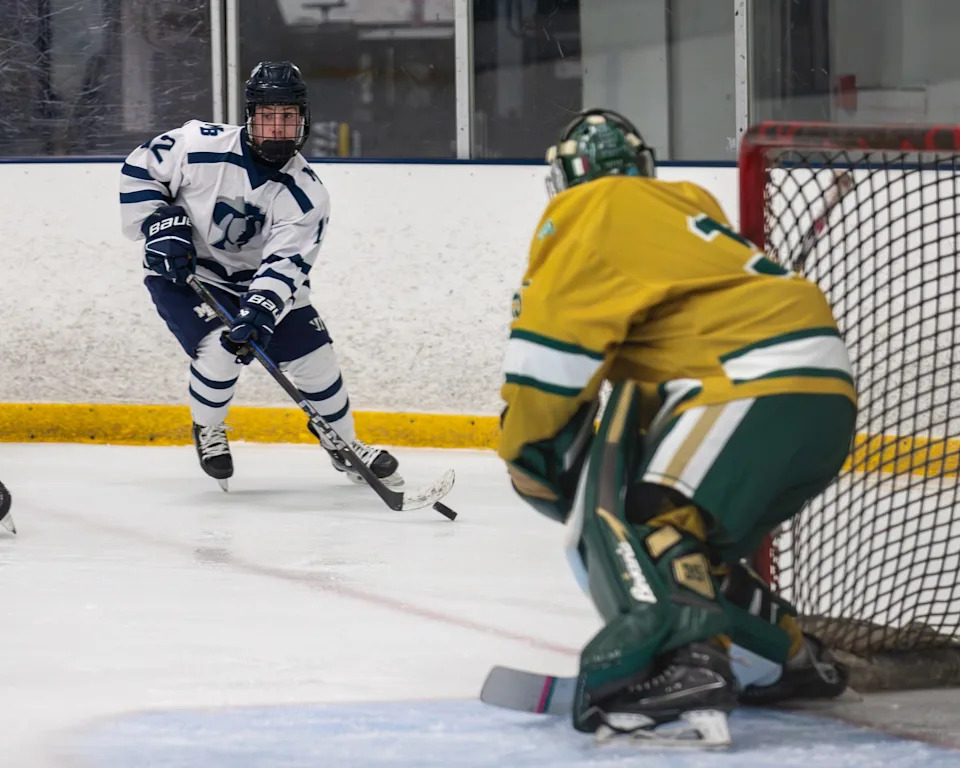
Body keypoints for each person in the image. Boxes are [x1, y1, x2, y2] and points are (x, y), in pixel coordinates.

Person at [498, 109, 857, 745]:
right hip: (822, 394)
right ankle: (789, 656)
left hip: (748, 380)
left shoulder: (588, 212)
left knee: (645, 514)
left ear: (567, 178)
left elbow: (550, 364)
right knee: (686, 548)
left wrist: (528, 453)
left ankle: (686, 664)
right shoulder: (681, 211)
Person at [119, 61, 401, 490]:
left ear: (303, 121)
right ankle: (208, 429)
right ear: (250, 116)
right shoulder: (198, 144)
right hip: (190, 273)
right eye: (268, 116)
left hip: (258, 283)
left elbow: (286, 265)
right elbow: (140, 170)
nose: (277, 128)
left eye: (287, 117)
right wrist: (157, 222)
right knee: (219, 349)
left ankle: (344, 445)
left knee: (316, 360)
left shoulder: (307, 193)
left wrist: (260, 311)